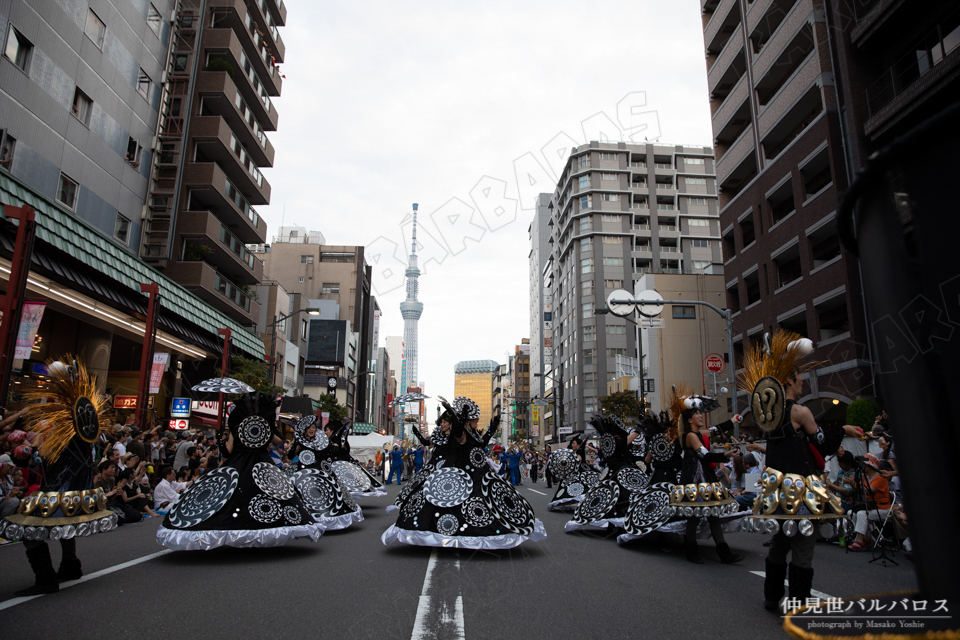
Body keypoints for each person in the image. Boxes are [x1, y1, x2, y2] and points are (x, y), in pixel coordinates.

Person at [738, 333, 863, 612]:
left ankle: (772, 597)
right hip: (799, 489)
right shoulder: (800, 412)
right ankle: (798, 603)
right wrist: (842, 429)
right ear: (790, 382)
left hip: (775, 489)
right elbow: (821, 442)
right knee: (804, 547)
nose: (804, 381)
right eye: (799, 378)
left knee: (780, 543)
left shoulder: (768, 416)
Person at [1, 358, 119, 596]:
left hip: (61, 481)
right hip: (77, 482)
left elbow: (45, 453)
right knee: (65, 519)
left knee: (29, 525)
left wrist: (31, 449)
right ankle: (70, 564)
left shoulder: (65, 419)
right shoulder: (84, 414)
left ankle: (46, 577)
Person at [157, 394, 323, 550]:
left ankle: (234, 529)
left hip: (238, 465)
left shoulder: (238, 428)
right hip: (263, 466)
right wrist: (272, 427)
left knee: (231, 496)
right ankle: (262, 527)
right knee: (271, 496)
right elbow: (279, 441)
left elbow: (228, 452)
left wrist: (222, 440)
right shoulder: (264, 427)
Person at [383, 396, 546, 549]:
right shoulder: (460, 432)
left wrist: (492, 430)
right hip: (464, 472)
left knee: (487, 502)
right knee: (455, 502)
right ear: (468, 419)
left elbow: (481, 443)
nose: (477, 420)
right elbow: (459, 437)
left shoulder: (473, 432)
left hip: (479, 472)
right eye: (474, 418)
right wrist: (456, 421)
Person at [672, 390, 744, 564]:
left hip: (705, 479)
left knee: (713, 515)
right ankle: (692, 552)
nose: (700, 415)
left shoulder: (698, 433)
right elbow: (705, 455)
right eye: (697, 413)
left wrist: (732, 421)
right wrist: (725, 456)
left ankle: (724, 553)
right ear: (690, 420)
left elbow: (715, 430)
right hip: (695, 481)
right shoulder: (690, 436)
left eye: (699, 412)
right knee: (695, 516)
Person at [287, 415, 362, 531]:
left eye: (313, 427)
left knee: (324, 495)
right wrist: (296, 444)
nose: (311, 430)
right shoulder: (300, 442)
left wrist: (335, 447)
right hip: (304, 474)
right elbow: (291, 456)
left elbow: (330, 452)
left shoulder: (321, 440)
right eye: (309, 428)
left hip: (319, 472)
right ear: (305, 430)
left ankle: (326, 517)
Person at [847, 454, 892, 551]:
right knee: (851, 513)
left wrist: (854, 484)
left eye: (865, 464)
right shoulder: (865, 477)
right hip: (871, 506)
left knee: (862, 514)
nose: (863, 466)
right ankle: (864, 537)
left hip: (882, 508)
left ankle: (859, 540)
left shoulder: (880, 477)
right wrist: (854, 484)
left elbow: (869, 490)